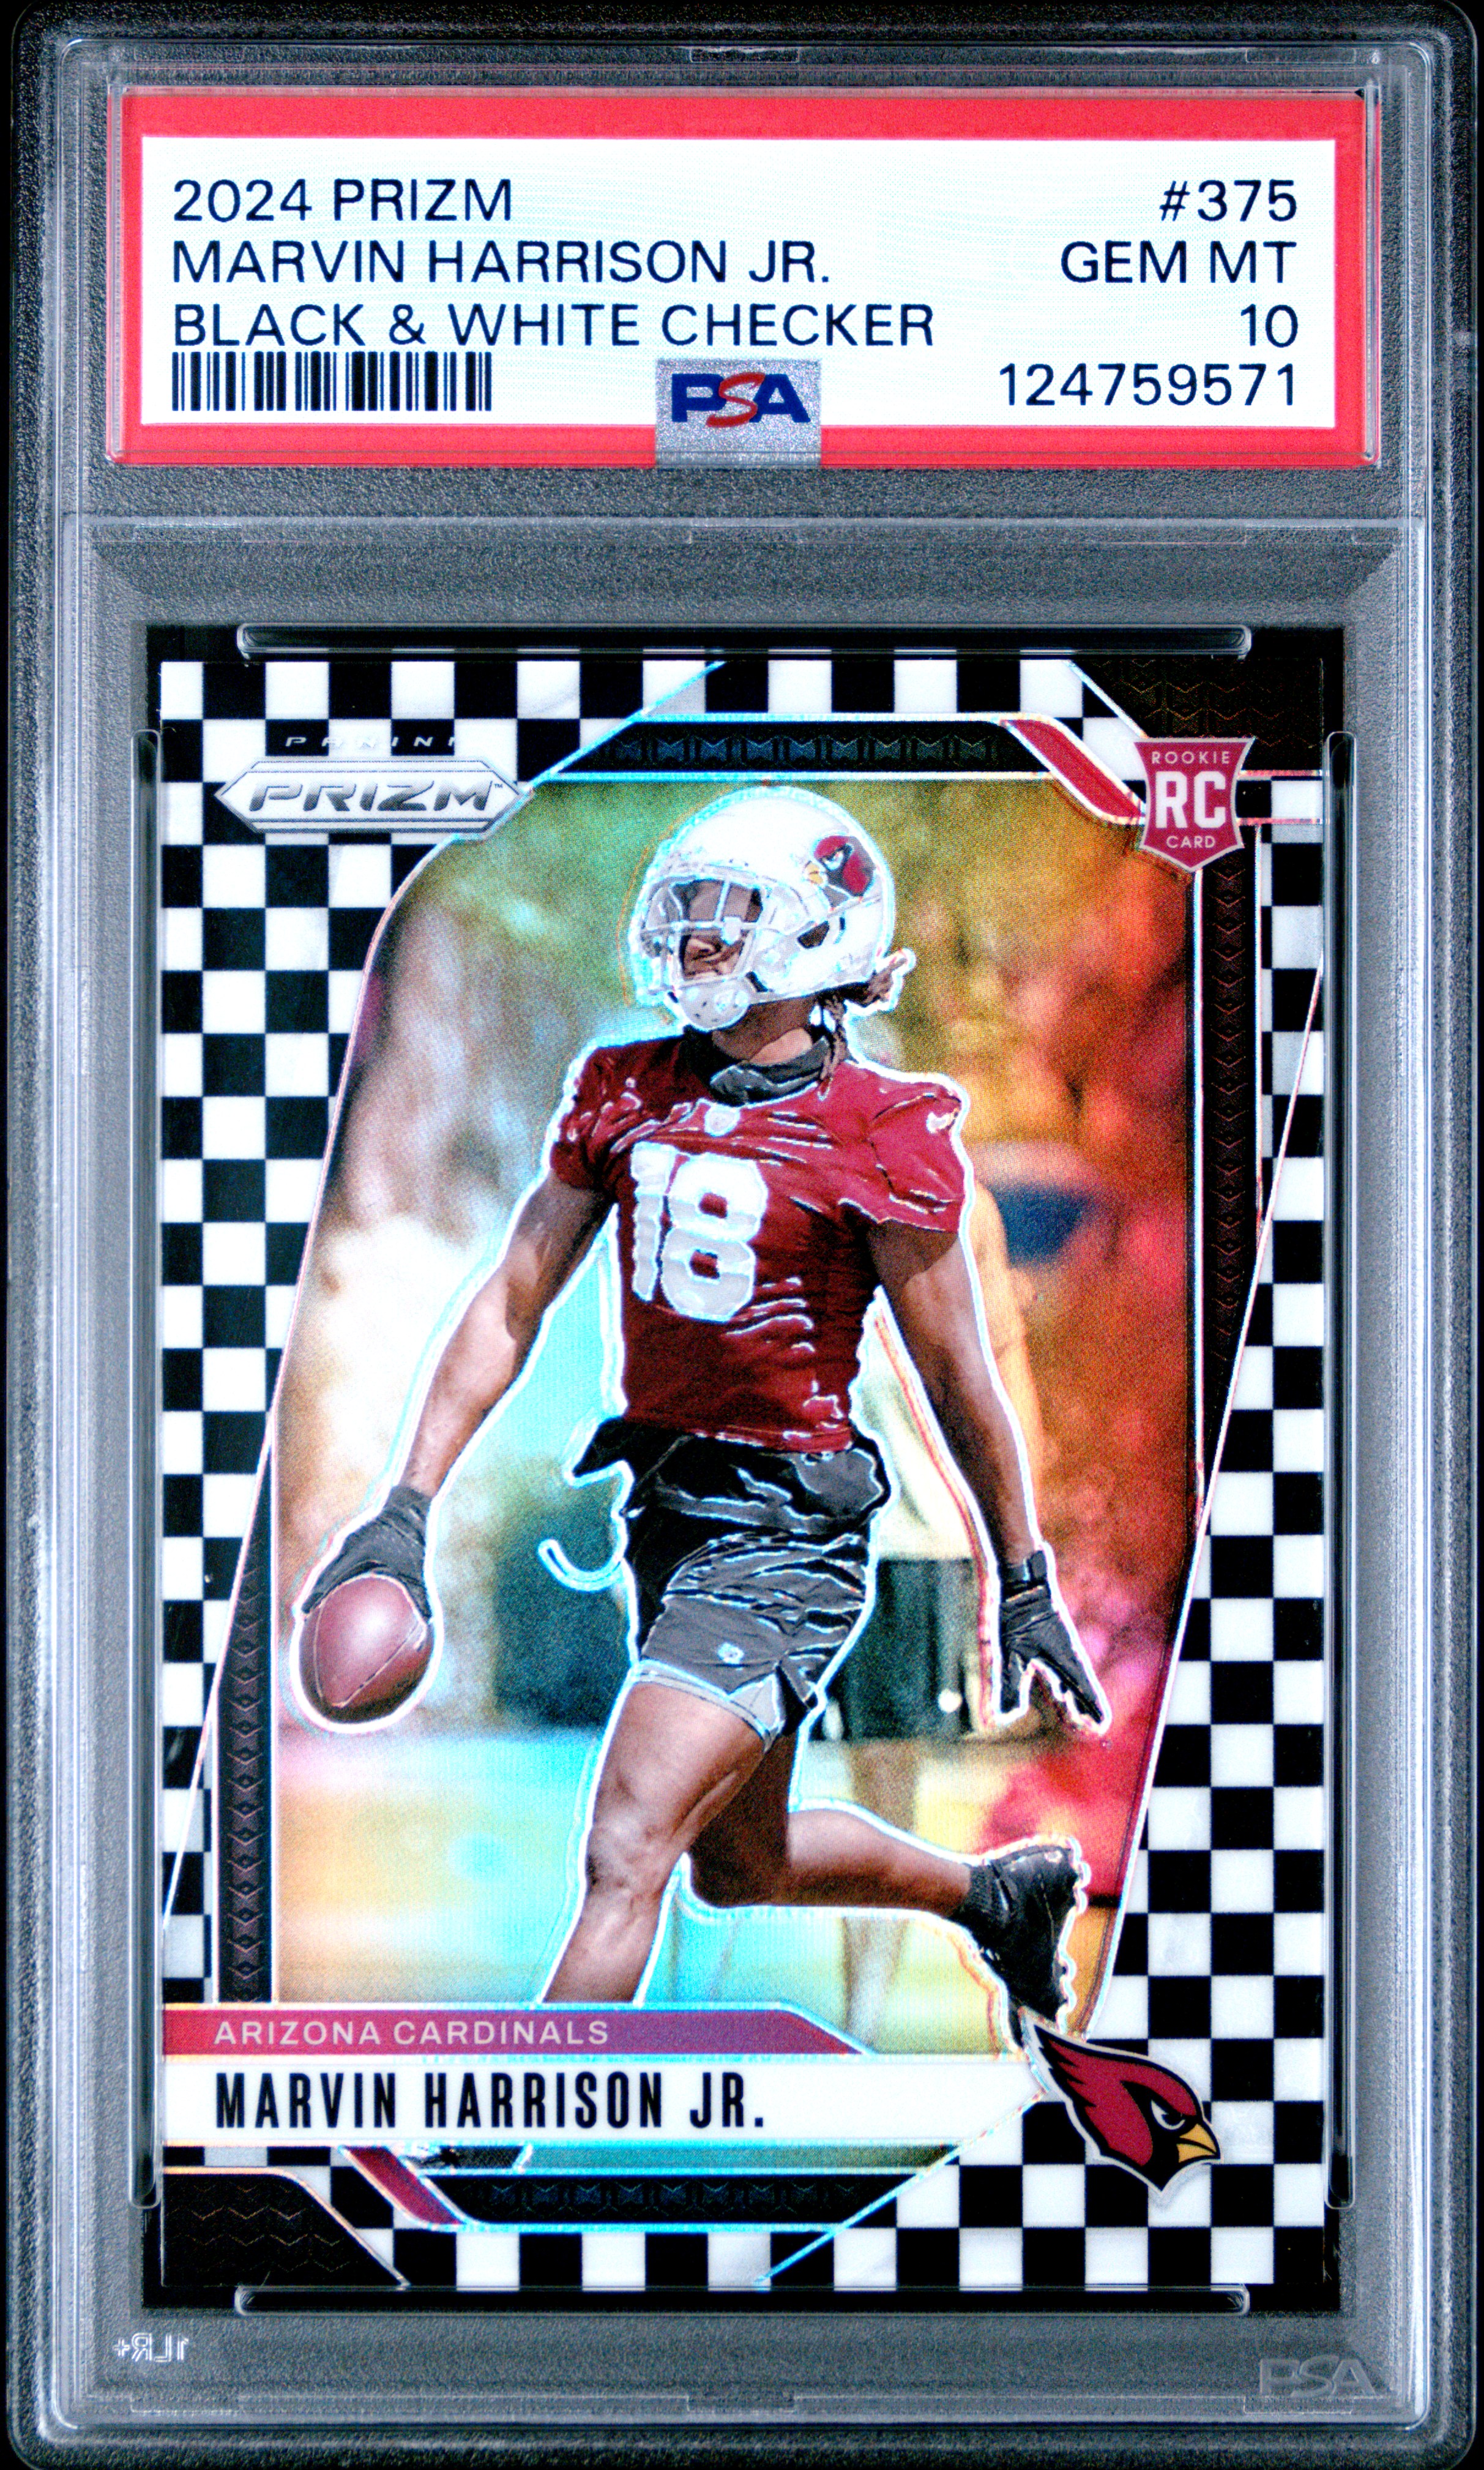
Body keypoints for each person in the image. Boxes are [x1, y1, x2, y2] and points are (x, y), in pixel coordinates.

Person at [298, 788, 1109, 2037]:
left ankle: (519, 2123)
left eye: (729, 912)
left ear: (820, 934)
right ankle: (997, 1896)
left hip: (785, 1533)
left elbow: (958, 1377)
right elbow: (511, 1299)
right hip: (667, 1513)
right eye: (684, 907)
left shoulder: (880, 1131)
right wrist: (404, 1504)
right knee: (739, 1864)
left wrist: (1022, 1575)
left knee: (626, 1843)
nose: (692, 936)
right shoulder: (627, 1088)